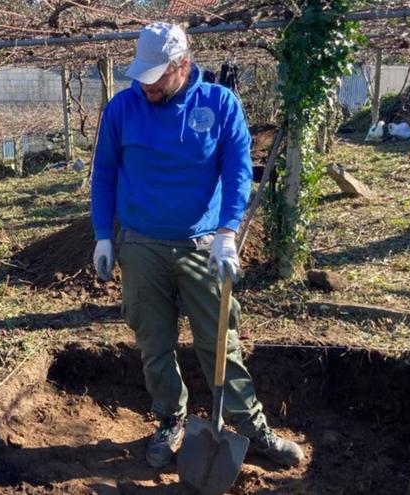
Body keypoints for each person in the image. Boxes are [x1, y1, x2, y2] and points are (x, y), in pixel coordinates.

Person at [91, 22, 304, 468]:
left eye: (155, 77)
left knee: (220, 343)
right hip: (141, 245)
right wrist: (103, 236)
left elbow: (239, 171)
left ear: (182, 66)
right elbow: (104, 173)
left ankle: (250, 426)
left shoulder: (219, 104)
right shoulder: (121, 108)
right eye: (140, 76)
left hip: (201, 244)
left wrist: (227, 233)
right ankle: (170, 419)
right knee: (154, 342)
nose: (145, 86)